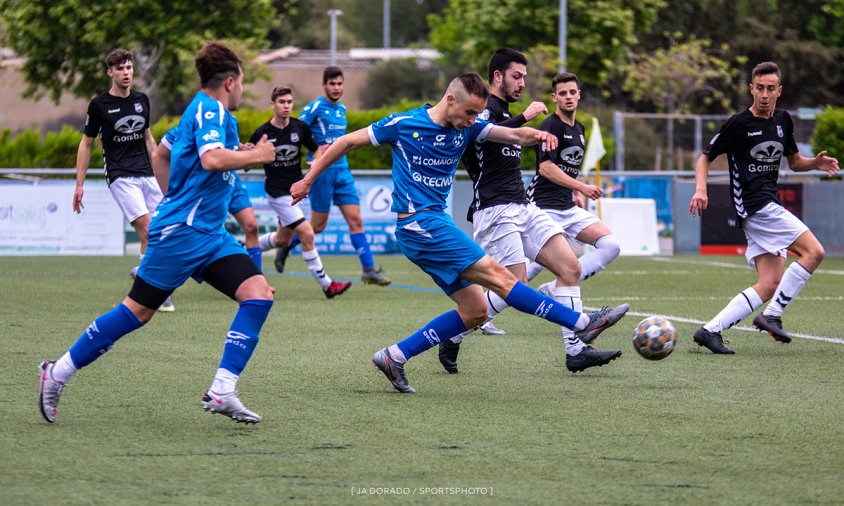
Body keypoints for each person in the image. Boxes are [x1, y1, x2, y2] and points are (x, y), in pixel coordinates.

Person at [291, 72, 630, 393]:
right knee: (505, 279)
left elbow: (509, 134)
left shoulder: (469, 126)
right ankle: (582, 322)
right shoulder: (405, 124)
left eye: (477, 115)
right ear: (450, 99)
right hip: (419, 223)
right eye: (470, 113)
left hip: (433, 225)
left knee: (475, 311)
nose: (473, 121)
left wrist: (537, 134)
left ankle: (393, 357)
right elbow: (346, 142)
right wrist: (308, 180)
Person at [39, 41, 278, 424]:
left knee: (258, 295)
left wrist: (178, 194)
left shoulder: (197, 112)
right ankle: (58, 371)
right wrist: (258, 156)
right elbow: (212, 158)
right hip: (183, 234)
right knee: (137, 312)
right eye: (242, 83)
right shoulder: (211, 110)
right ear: (230, 82)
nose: (242, 89)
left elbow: (161, 155)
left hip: (208, 234)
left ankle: (221, 389)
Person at [439, 49, 623, 375]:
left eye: (524, 76)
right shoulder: (481, 109)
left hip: (524, 206)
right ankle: (453, 336)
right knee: (516, 289)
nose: (523, 82)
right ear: (498, 76)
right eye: (517, 76)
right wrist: (526, 119)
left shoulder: (506, 110)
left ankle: (576, 350)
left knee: (569, 267)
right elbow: (482, 137)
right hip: (494, 211)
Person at [689, 61, 839, 354]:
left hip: (766, 205)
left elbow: (795, 162)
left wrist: (815, 163)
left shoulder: (783, 120)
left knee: (770, 283)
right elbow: (705, 157)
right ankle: (771, 315)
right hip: (756, 206)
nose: (765, 94)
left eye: (771, 88)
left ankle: (710, 330)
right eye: (760, 88)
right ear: (751, 89)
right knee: (815, 252)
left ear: (779, 91)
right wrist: (700, 188)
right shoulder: (738, 123)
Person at [74, 49, 174, 311]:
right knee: (149, 229)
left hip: (147, 174)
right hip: (120, 176)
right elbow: (86, 144)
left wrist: (161, 174)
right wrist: (79, 184)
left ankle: (143, 272)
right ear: (110, 72)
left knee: (162, 231)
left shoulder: (142, 100)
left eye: (129, 67)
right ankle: (154, 292)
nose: (126, 72)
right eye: (120, 68)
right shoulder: (99, 105)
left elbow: (149, 139)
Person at [283, 66, 390, 286]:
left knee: (356, 221)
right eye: (332, 84)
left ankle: (368, 270)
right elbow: (296, 129)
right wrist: (314, 151)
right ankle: (286, 245)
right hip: (322, 172)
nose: (336, 88)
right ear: (324, 85)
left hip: (343, 171)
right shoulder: (315, 107)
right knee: (318, 226)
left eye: (339, 84)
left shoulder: (342, 110)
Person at [250, 86, 352, 298]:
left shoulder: (300, 128)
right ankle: (328, 285)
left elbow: (316, 149)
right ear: (272, 104)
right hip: (278, 194)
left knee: (282, 241)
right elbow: (247, 164)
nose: (286, 106)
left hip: (296, 192)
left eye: (289, 102)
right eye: (281, 102)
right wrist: (252, 154)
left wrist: (315, 161)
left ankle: (243, 247)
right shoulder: (262, 133)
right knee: (307, 232)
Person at [525, 72, 621, 295]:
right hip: (542, 206)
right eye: (562, 93)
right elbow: (546, 167)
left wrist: (572, 191)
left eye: (572, 92)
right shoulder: (551, 125)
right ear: (554, 97)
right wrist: (582, 187)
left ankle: (553, 288)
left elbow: (567, 165)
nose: (568, 97)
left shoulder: (579, 129)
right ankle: (485, 312)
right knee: (531, 267)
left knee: (610, 245)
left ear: (579, 95)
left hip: (566, 206)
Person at [154, 126, 263, 271]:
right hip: (207, 186)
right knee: (191, 235)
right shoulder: (191, 124)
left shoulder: (229, 122)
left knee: (252, 227)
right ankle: (153, 269)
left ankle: (257, 278)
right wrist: (171, 194)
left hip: (231, 181)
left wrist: (248, 152)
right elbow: (160, 156)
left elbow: (244, 164)